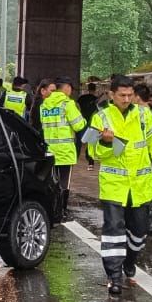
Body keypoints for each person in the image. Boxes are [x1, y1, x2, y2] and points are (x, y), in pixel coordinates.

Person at [87, 75, 152, 297]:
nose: (126, 99)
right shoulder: (101, 118)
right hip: (114, 186)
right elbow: (93, 153)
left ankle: (130, 260)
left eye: (129, 95)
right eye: (122, 95)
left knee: (139, 230)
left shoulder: (144, 116)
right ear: (111, 95)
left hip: (141, 186)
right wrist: (105, 142)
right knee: (113, 231)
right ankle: (114, 276)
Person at [40, 77, 86, 208]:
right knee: (64, 183)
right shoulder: (68, 104)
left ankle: (52, 208)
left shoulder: (44, 105)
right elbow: (79, 125)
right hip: (65, 151)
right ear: (67, 87)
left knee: (52, 182)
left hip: (50, 151)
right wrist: (82, 119)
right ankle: (61, 210)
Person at [76, 81, 100, 170]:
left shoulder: (81, 98)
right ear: (95, 89)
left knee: (79, 141)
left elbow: (77, 107)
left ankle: (75, 159)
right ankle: (90, 163)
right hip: (92, 122)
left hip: (82, 122)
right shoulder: (96, 99)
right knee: (91, 143)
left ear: (88, 89)